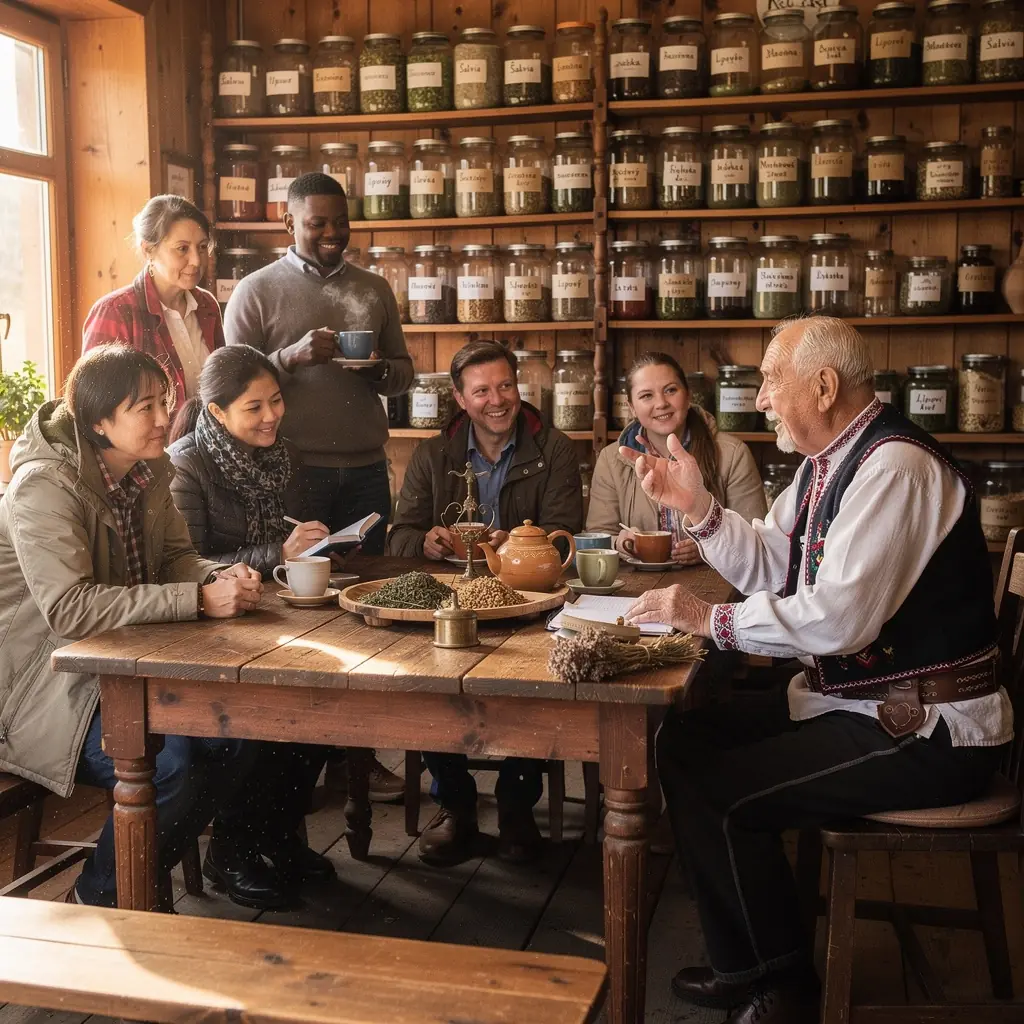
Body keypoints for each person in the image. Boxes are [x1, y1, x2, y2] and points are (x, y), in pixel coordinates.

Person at [622, 316, 1012, 1024]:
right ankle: (746, 964)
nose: (762, 396)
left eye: (772, 378)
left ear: (824, 386)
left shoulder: (895, 466)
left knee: (723, 791)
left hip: (928, 729)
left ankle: (785, 988)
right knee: (685, 739)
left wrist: (708, 620)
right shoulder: (830, 461)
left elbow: (839, 619)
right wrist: (699, 510)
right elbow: (775, 559)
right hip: (865, 704)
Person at [0, 345, 265, 910]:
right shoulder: (43, 487)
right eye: (145, 407)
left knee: (236, 735)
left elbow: (175, 558)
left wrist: (219, 575)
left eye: (164, 402)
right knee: (172, 765)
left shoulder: (144, 470)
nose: (164, 418)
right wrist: (195, 599)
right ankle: (100, 901)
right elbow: (69, 610)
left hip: (118, 670)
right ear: (98, 421)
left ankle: (132, 883)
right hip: (39, 690)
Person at [388, 340, 584, 867]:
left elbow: (568, 532)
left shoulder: (556, 450)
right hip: (449, 602)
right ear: (459, 397)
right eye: (481, 391)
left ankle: (518, 810)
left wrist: (515, 546)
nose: (497, 400)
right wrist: (422, 543)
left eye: (505, 386)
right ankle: (457, 809)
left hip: (527, 604)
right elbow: (399, 533)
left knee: (533, 685)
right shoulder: (434, 454)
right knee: (426, 685)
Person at [168, 346, 337, 906]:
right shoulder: (186, 464)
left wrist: (315, 543)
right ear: (215, 412)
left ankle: (276, 836)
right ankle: (231, 850)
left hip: (270, 616)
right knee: (260, 720)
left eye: (276, 400)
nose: (270, 416)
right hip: (203, 628)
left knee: (319, 714)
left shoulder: (284, 457)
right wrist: (276, 552)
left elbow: (289, 543)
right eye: (252, 407)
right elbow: (190, 560)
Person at [224, 172, 414, 558]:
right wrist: (289, 357)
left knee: (370, 585)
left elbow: (403, 375)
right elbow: (232, 387)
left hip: (369, 472)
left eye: (341, 221)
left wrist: (377, 370)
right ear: (289, 223)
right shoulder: (255, 291)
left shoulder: (374, 288)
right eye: (318, 223)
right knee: (298, 590)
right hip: (290, 473)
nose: (334, 232)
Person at [587, 352, 766, 562]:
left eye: (670, 390)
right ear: (632, 408)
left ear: (688, 395)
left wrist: (709, 547)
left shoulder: (732, 453)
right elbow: (598, 536)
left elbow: (756, 539)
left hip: (714, 585)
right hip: (637, 586)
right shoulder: (611, 459)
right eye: (646, 396)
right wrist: (620, 542)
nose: (661, 403)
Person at [82, 195, 223, 417]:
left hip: (204, 446)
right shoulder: (114, 312)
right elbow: (92, 408)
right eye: (182, 248)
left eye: (203, 247)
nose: (197, 260)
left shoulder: (207, 305)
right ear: (148, 250)